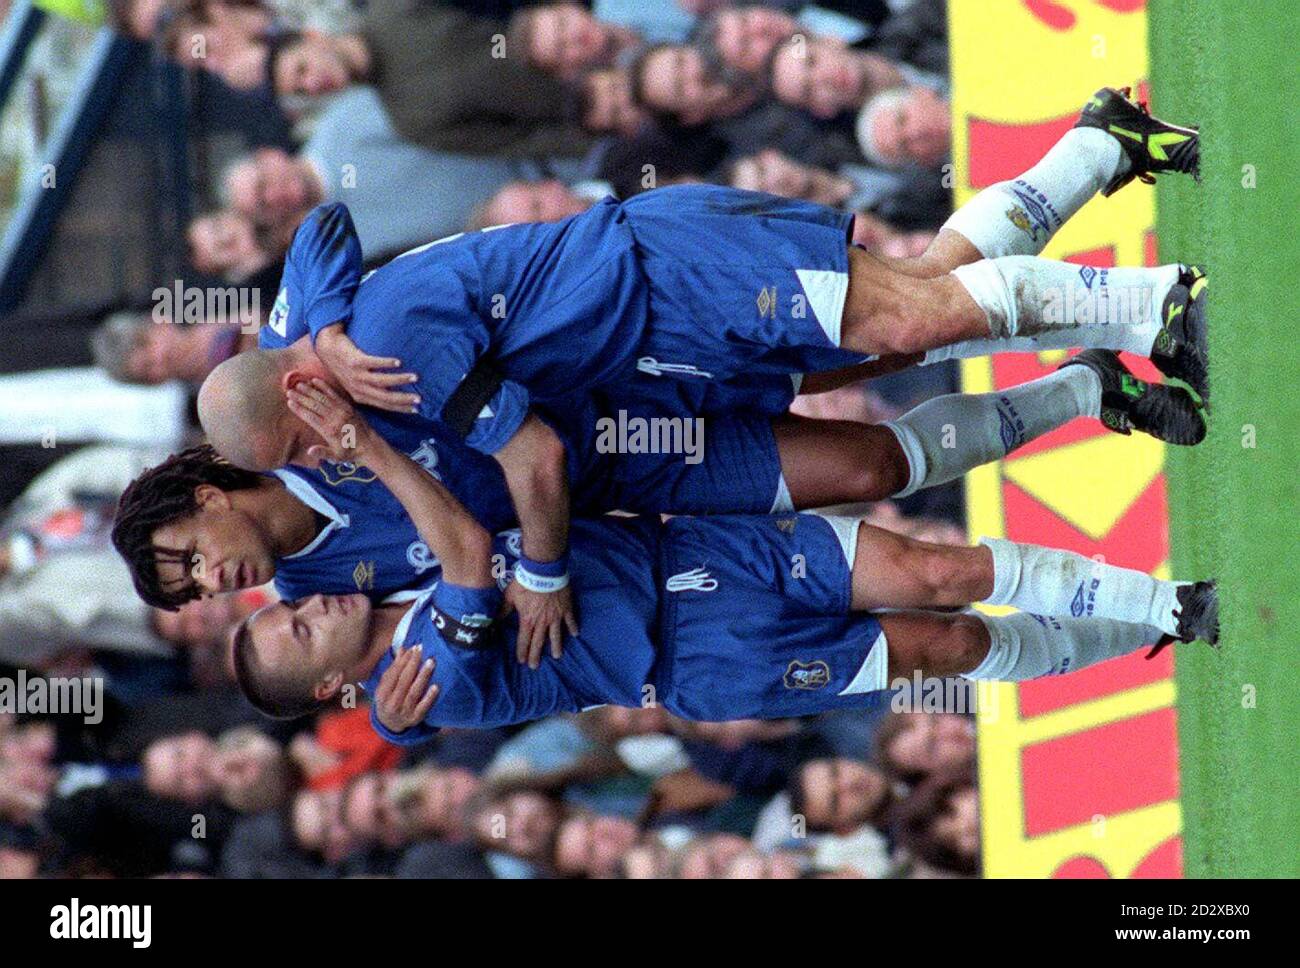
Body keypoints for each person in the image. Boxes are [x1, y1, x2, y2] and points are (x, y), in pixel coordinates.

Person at [229, 381, 1218, 748]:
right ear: (327, 681)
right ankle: (1133, 628)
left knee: (938, 571)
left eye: (289, 607)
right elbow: (467, 558)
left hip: (695, 552)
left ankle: (1164, 595)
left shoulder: (361, 577)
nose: (305, 607)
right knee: (951, 644)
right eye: (298, 628)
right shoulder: (425, 686)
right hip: (700, 664)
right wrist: (371, 447)